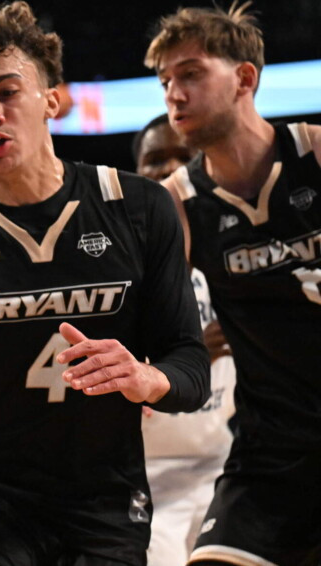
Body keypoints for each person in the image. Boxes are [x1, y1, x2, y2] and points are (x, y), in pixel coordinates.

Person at [0, 1, 209, 565]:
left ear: (53, 100)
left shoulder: (138, 209)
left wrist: (145, 376)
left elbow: (190, 366)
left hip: (106, 499)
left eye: (7, 92)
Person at [146, 0, 321, 565]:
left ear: (244, 77)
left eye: (191, 73)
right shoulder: (177, 202)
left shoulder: (315, 153)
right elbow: (155, 326)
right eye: (166, 80)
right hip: (270, 456)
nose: (174, 93)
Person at [132, 115, 237, 566]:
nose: (169, 169)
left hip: (227, 466)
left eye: (183, 157)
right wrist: (186, 359)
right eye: (155, 160)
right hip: (145, 474)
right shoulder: (118, 274)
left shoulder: (235, 259)